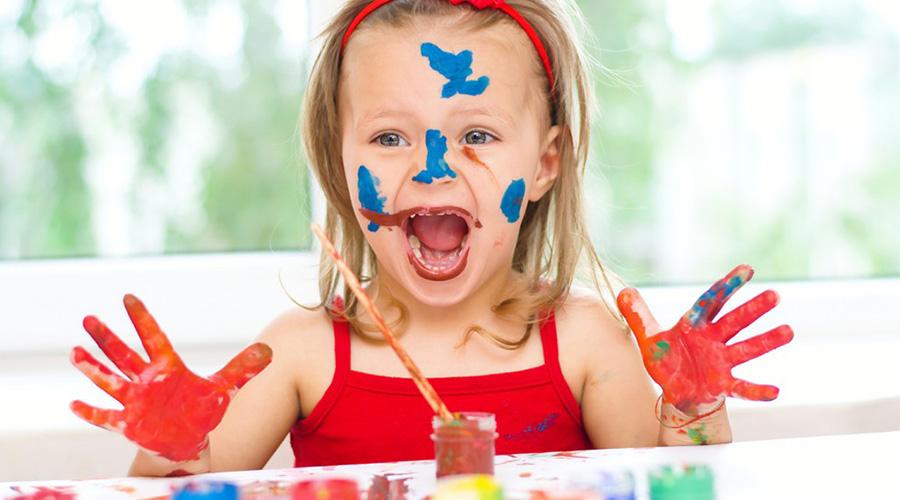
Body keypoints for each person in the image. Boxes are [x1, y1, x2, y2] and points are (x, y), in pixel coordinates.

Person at [69, 0, 794, 476]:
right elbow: (183, 491)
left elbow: (673, 491)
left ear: (544, 164)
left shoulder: (583, 343)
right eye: (389, 136)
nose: (431, 165)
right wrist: (169, 448)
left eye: (476, 134)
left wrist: (694, 415)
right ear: (339, 160)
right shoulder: (301, 352)